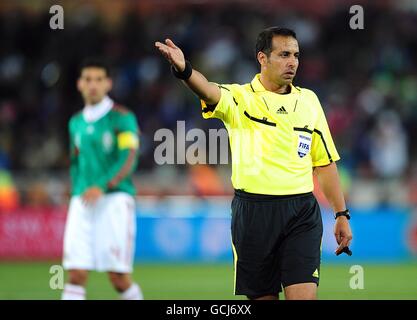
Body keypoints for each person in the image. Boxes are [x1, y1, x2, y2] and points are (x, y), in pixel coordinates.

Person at [155, 27, 353, 300]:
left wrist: (341, 214)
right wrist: (185, 70)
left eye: (295, 55)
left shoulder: (309, 101)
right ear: (263, 57)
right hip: (253, 214)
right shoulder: (240, 98)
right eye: (284, 54)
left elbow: (325, 163)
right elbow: (209, 91)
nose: (292, 62)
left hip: (301, 213)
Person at [61, 58, 143, 300]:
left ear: (108, 84)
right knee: (76, 273)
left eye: (98, 80)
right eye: (88, 80)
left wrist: (104, 186)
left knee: (118, 278)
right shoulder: (75, 122)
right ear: (79, 84)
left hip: (114, 200)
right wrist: (76, 189)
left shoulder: (122, 117)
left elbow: (129, 157)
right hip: (82, 201)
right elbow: (75, 161)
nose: (93, 85)